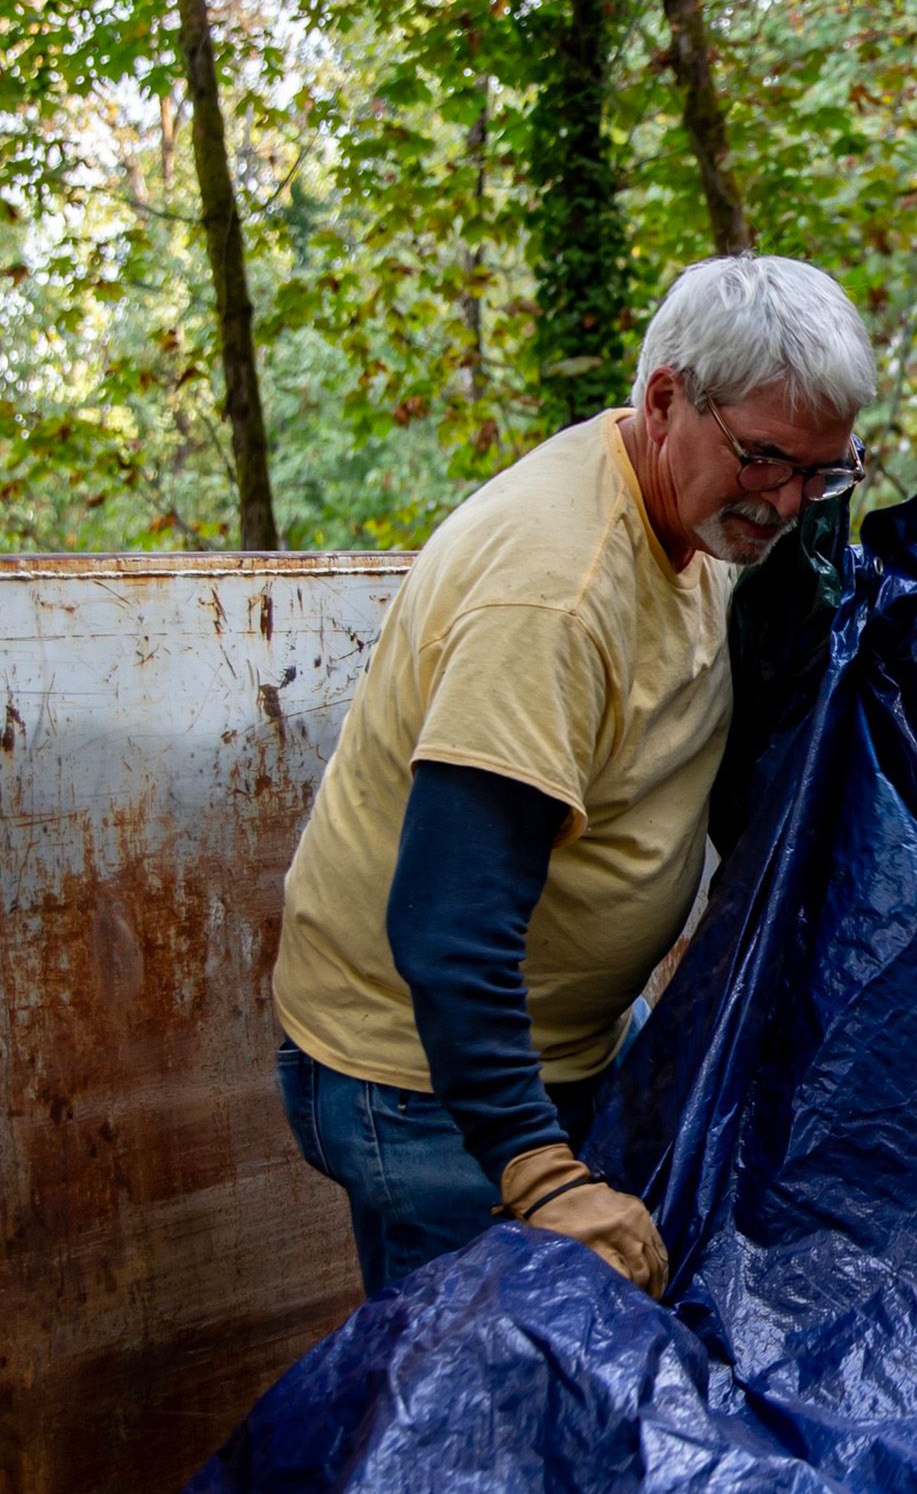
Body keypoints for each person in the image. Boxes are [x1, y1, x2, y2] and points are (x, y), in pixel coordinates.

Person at [269, 254, 877, 1299]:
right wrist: (541, 1174)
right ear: (662, 399)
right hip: (420, 1078)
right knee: (479, 1412)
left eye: (821, 472)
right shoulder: (552, 598)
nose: (785, 503)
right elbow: (446, 924)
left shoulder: (692, 504)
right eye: (764, 459)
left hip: (571, 1034)